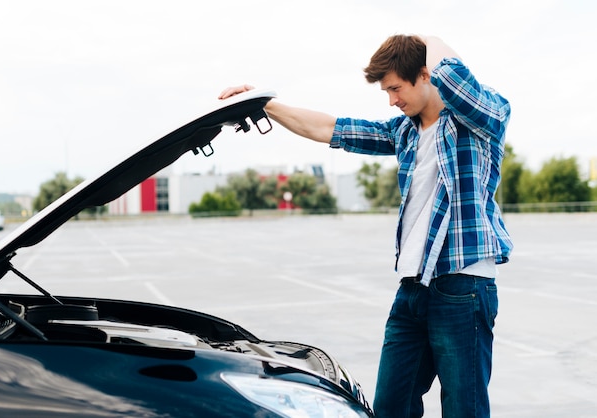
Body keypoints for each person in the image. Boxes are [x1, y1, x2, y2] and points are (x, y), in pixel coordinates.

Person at [219, 34, 512, 418]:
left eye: (395, 88)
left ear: (425, 75)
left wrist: (423, 39)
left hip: (462, 286)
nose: (391, 99)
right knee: (390, 407)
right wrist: (264, 104)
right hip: (411, 290)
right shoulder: (403, 131)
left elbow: (455, 78)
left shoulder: (478, 121)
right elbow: (329, 128)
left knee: (463, 410)